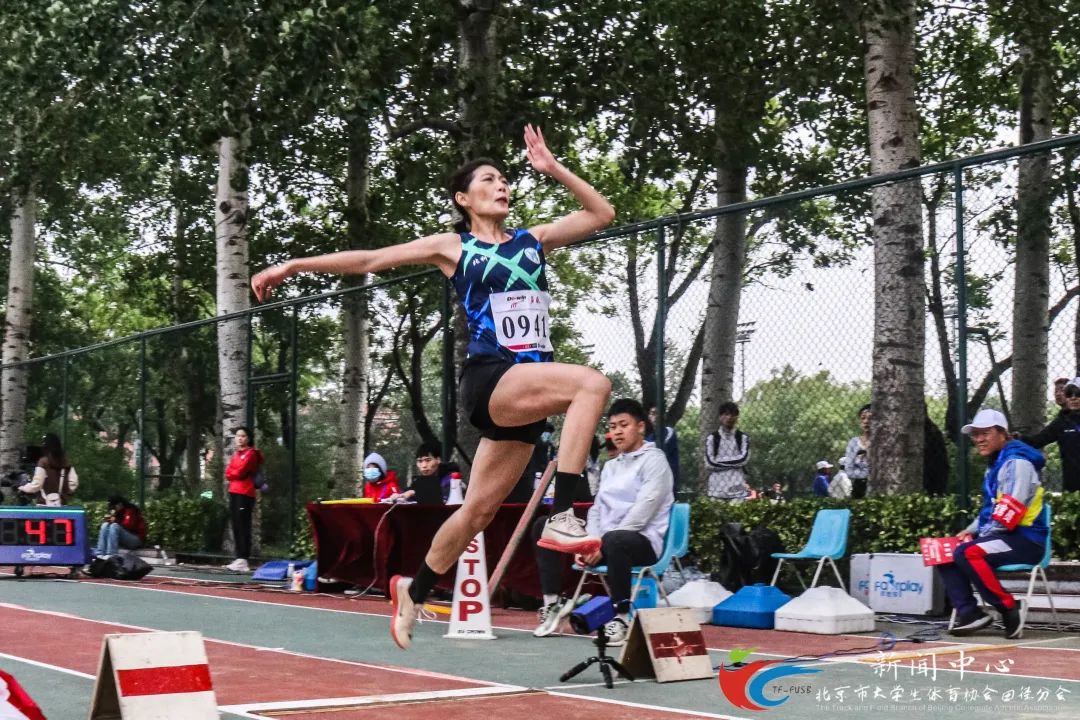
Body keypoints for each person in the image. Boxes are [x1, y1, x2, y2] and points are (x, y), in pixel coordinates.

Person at [251, 125, 615, 650]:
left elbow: (601, 214)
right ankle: (563, 514)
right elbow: (370, 260)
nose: (502, 185)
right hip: (490, 378)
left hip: (528, 392)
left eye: (506, 179)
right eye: (489, 179)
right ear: (463, 199)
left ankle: (414, 591)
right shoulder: (454, 246)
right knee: (591, 384)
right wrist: (293, 265)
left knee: (477, 512)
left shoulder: (532, 241)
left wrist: (553, 168)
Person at [530, 399, 673, 644]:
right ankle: (553, 604)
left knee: (617, 539)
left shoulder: (655, 461)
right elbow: (597, 510)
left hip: (643, 544)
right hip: (604, 544)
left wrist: (602, 544)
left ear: (640, 427)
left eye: (624, 425)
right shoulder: (610, 466)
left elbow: (642, 512)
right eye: (613, 426)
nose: (617, 432)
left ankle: (621, 618)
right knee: (544, 525)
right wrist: (590, 543)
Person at [942, 409, 1047, 640]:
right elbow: (990, 511)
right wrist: (969, 531)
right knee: (945, 552)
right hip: (1005, 537)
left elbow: (1010, 510)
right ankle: (970, 614)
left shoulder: (1017, 463)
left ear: (1003, 434)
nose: (979, 439)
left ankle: (1008, 607)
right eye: (975, 434)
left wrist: (979, 538)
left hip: (1026, 540)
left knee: (967, 552)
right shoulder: (996, 463)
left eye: (985, 433)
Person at [1022, 376, 1080, 492]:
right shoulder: (1061, 422)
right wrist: (1017, 438)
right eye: (1069, 394)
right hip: (1073, 485)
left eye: (1078, 394)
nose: (1073, 398)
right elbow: (1037, 441)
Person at [224, 426, 263, 573]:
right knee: (236, 524)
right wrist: (233, 473)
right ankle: (239, 557)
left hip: (245, 493)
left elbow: (240, 472)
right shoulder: (237, 454)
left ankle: (243, 559)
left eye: (243, 436)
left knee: (243, 524)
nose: (239, 438)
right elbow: (228, 473)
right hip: (234, 491)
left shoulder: (251, 454)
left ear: (248, 438)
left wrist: (233, 473)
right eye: (237, 436)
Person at [703, 402, 750, 502]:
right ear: (720, 417)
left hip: (737, 488)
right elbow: (709, 463)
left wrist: (718, 461)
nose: (729, 417)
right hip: (716, 489)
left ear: (737, 417)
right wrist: (734, 463)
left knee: (737, 512)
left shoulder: (742, 438)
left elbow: (743, 459)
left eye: (733, 414)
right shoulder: (712, 438)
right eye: (726, 414)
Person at [18, 433, 78, 506]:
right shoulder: (66, 463)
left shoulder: (43, 462)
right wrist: (63, 493)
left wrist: (23, 487)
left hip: (44, 505)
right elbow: (73, 483)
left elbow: (37, 485)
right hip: (62, 506)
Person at [391, 444, 455, 504]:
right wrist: (399, 495)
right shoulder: (419, 481)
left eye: (428, 460)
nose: (424, 465)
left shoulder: (451, 479)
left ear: (438, 460)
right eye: (420, 461)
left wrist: (415, 493)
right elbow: (408, 492)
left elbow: (444, 500)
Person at [646, 403, 680, 491]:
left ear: (663, 415)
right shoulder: (649, 438)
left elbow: (658, 452)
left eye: (657, 413)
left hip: (668, 483)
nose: (655, 417)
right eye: (652, 414)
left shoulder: (669, 432)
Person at [845, 404, 871, 498]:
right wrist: (867, 474)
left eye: (870, 418)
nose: (866, 421)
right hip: (859, 487)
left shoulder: (882, 442)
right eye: (863, 418)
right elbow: (849, 470)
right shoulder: (854, 442)